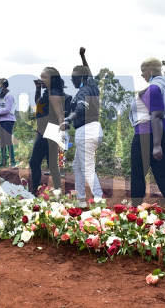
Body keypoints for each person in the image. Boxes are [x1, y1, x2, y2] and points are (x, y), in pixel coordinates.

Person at [129, 57, 165, 207]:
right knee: (162, 172)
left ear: (151, 70)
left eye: (143, 70)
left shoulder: (154, 88)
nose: (142, 74)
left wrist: (157, 145)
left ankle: (136, 211)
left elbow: (156, 115)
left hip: (147, 134)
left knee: (138, 174)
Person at [60, 47, 103, 208]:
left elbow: (80, 108)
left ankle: (99, 200)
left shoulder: (84, 91)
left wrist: (68, 121)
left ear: (81, 78)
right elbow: (89, 72)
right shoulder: (91, 84)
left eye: (74, 78)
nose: (72, 81)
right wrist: (83, 56)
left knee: (87, 167)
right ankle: (81, 201)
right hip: (93, 129)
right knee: (77, 166)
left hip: (85, 130)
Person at [29, 67, 65, 193]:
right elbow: (38, 104)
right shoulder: (48, 92)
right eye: (41, 76)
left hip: (48, 131)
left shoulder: (54, 94)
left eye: (45, 77)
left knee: (34, 162)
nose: (41, 79)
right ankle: (58, 192)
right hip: (45, 130)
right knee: (52, 165)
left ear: (53, 79)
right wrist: (38, 88)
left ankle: (34, 191)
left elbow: (60, 115)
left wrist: (62, 130)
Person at [0, 78, 16, 168]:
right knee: (2, 141)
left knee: (8, 140)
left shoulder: (9, 95)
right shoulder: (1, 95)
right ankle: (3, 160)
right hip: (1, 120)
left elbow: (7, 109)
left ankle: (13, 161)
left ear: (2, 85)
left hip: (8, 120)